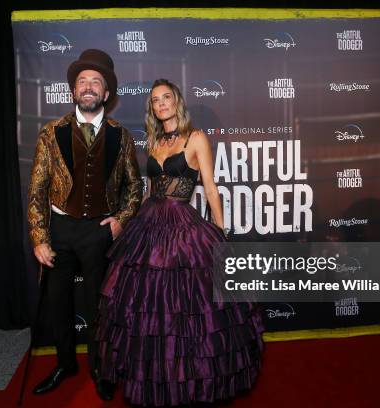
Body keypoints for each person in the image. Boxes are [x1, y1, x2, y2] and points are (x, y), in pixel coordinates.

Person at [96, 79, 264, 406]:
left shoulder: (196, 137)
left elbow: (211, 187)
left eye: (166, 98)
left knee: (186, 305)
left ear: (177, 102)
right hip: (149, 224)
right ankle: (155, 374)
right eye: (156, 101)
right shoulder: (153, 141)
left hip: (182, 223)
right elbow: (150, 190)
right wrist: (128, 221)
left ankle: (190, 376)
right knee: (147, 305)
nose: (161, 104)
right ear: (153, 109)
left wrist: (220, 231)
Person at [27, 49, 142, 400]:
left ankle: (98, 366)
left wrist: (120, 221)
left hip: (98, 231)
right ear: (73, 91)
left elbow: (135, 187)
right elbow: (37, 189)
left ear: (106, 94)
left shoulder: (120, 136)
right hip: (60, 231)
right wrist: (39, 237)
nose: (88, 87)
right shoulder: (51, 133)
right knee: (57, 302)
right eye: (82, 82)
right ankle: (65, 363)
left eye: (96, 82)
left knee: (97, 306)